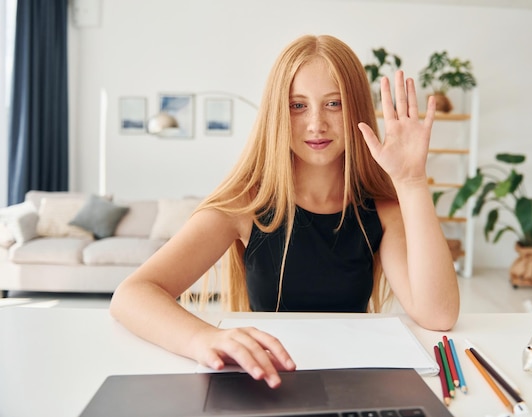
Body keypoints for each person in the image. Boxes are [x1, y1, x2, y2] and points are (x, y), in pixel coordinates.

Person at [110, 34, 460, 389]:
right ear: (277, 113)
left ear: (356, 108)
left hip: (351, 382)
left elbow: (438, 314)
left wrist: (412, 181)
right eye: (297, 105)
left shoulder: (382, 210)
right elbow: (132, 295)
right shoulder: (244, 206)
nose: (316, 123)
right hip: (265, 381)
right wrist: (201, 339)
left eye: (334, 103)